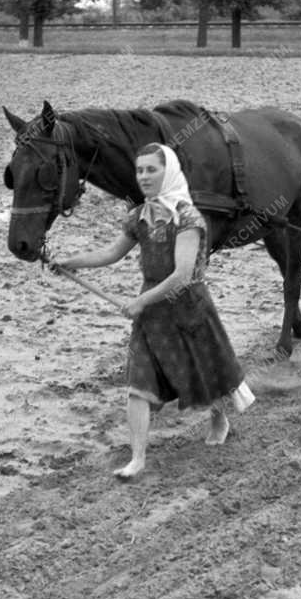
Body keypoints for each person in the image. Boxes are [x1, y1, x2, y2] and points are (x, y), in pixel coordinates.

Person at [50, 142, 255, 480]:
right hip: (151, 318)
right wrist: (71, 262)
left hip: (188, 309)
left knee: (205, 375)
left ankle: (219, 416)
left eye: (151, 170)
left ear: (168, 172)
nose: (143, 177)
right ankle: (138, 459)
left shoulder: (188, 218)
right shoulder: (139, 218)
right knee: (138, 383)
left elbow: (182, 275)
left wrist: (141, 301)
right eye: (140, 170)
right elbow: (111, 253)